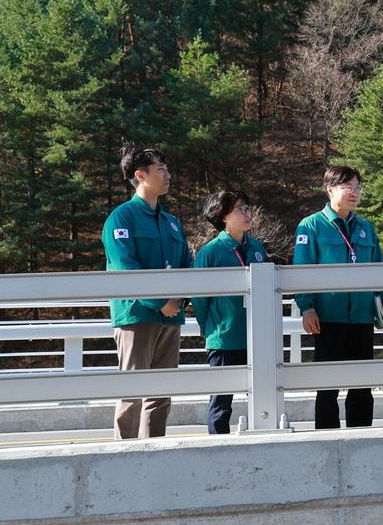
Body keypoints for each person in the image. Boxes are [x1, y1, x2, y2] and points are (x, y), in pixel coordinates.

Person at [101, 144, 193, 439]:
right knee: (133, 392)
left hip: (171, 316)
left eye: (167, 169)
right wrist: (160, 302)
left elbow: (186, 265)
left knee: (161, 394)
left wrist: (178, 301)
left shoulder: (171, 222)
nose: (168, 175)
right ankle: (122, 455)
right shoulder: (121, 218)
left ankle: (155, 452)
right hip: (137, 316)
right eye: (161, 169)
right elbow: (126, 268)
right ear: (140, 175)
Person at [292, 165, 383, 430]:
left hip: (361, 317)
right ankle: (326, 437)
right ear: (330, 190)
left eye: (358, 187)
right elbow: (301, 272)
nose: (354, 193)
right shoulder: (311, 226)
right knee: (327, 387)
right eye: (348, 187)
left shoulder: (365, 229)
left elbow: (379, 269)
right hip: (328, 318)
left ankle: (361, 435)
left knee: (362, 386)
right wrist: (307, 308)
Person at [191, 191, 268, 434]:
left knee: (264, 395)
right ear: (223, 216)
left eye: (248, 208)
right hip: (224, 337)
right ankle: (217, 444)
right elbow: (200, 298)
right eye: (240, 210)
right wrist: (211, 329)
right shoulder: (210, 252)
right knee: (222, 401)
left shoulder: (256, 247)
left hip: (255, 334)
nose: (247, 214)